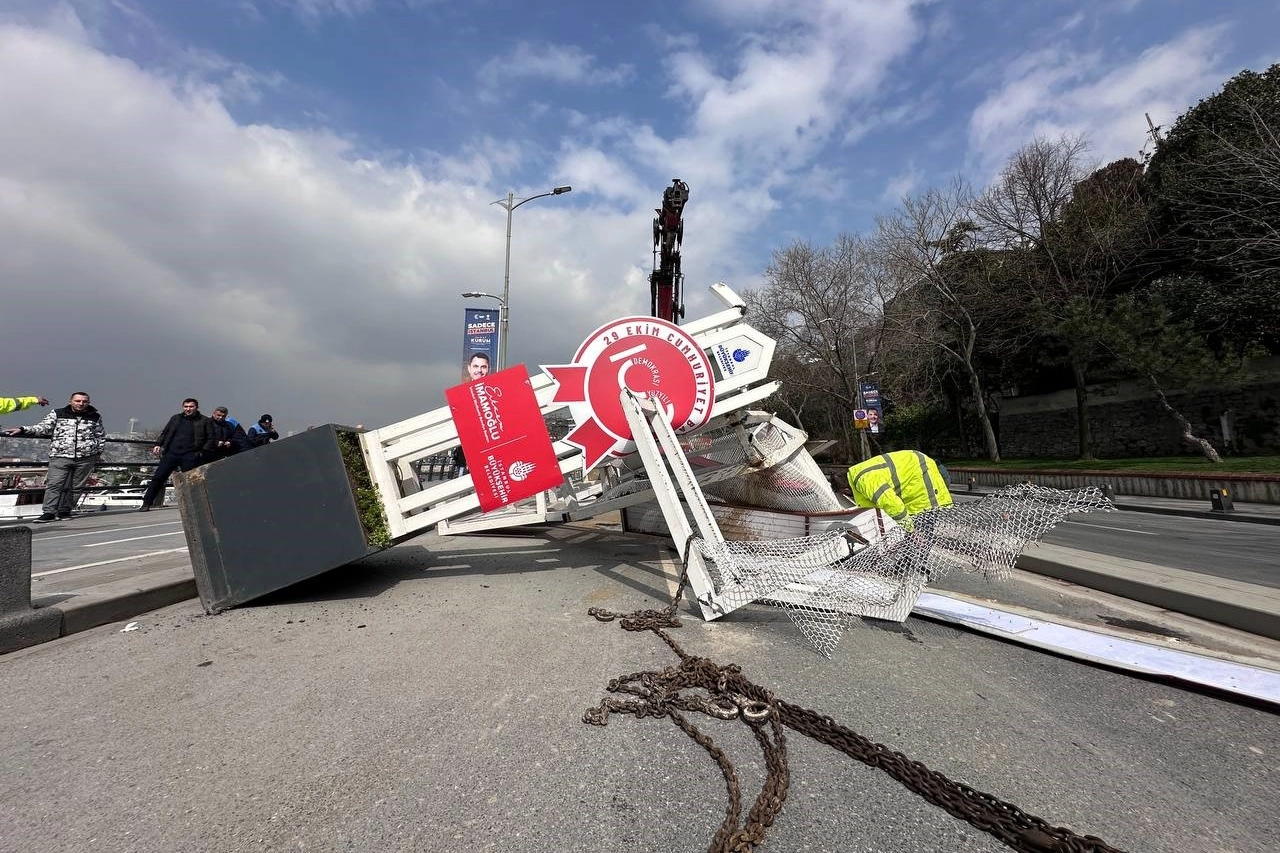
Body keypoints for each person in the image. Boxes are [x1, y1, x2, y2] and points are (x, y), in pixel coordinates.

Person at [1, 391, 105, 522]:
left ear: (88, 403)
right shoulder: (58, 413)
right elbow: (43, 427)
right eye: (78, 401)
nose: (81, 404)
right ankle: (49, 512)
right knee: (54, 485)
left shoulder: (95, 417)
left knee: (77, 486)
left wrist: (97, 453)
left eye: (84, 401)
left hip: (86, 457)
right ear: (70, 401)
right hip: (60, 455)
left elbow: (100, 435)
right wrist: (23, 429)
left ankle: (65, 510)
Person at [137, 398, 217, 512]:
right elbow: (165, 432)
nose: (188, 409)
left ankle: (196, 505)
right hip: (171, 453)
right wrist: (158, 444)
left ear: (196, 407)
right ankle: (146, 503)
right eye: (186, 407)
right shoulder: (176, 418)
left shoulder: (204, 421)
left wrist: (201, 453)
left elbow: (211, 439)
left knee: (192, 481)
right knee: (158, 478)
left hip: (190, 454)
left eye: (191, 407)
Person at [845, 449, 952, 531]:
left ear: (847, 489)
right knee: (915, 543)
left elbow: (891, 504)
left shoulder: (865, 481)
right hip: (924, 470)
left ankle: (918, 556)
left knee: (920, 541)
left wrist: (911, 531)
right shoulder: (860, 475)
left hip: (926, 482)